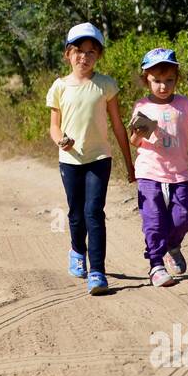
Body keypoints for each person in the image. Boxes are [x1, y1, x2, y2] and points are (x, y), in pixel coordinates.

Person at [46, 22, 136, 295]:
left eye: (91, 52)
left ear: (99, 55)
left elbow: (118, 125)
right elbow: (53, 126)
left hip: (99, 158)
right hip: (70, 160)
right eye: (79, 51)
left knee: (94, 212)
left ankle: (97, 271)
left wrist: (129, 163)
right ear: (67, 54)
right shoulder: (59, 87)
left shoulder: (106, 85)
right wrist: (60, 139)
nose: (84, 57)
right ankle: (76, 251)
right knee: (76, 214)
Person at [127, 48, 188, 287]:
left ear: (177, 78)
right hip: (149, 172)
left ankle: (172, 245)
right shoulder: (142, 106)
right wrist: (139, 132)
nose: (163, 86)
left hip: (179, 174)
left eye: (169, 80)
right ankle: (156, 265)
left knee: (181, 219)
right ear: (146, 78)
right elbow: (134, 141)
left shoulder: (184, 104)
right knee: (154, 220)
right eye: (156, 81)